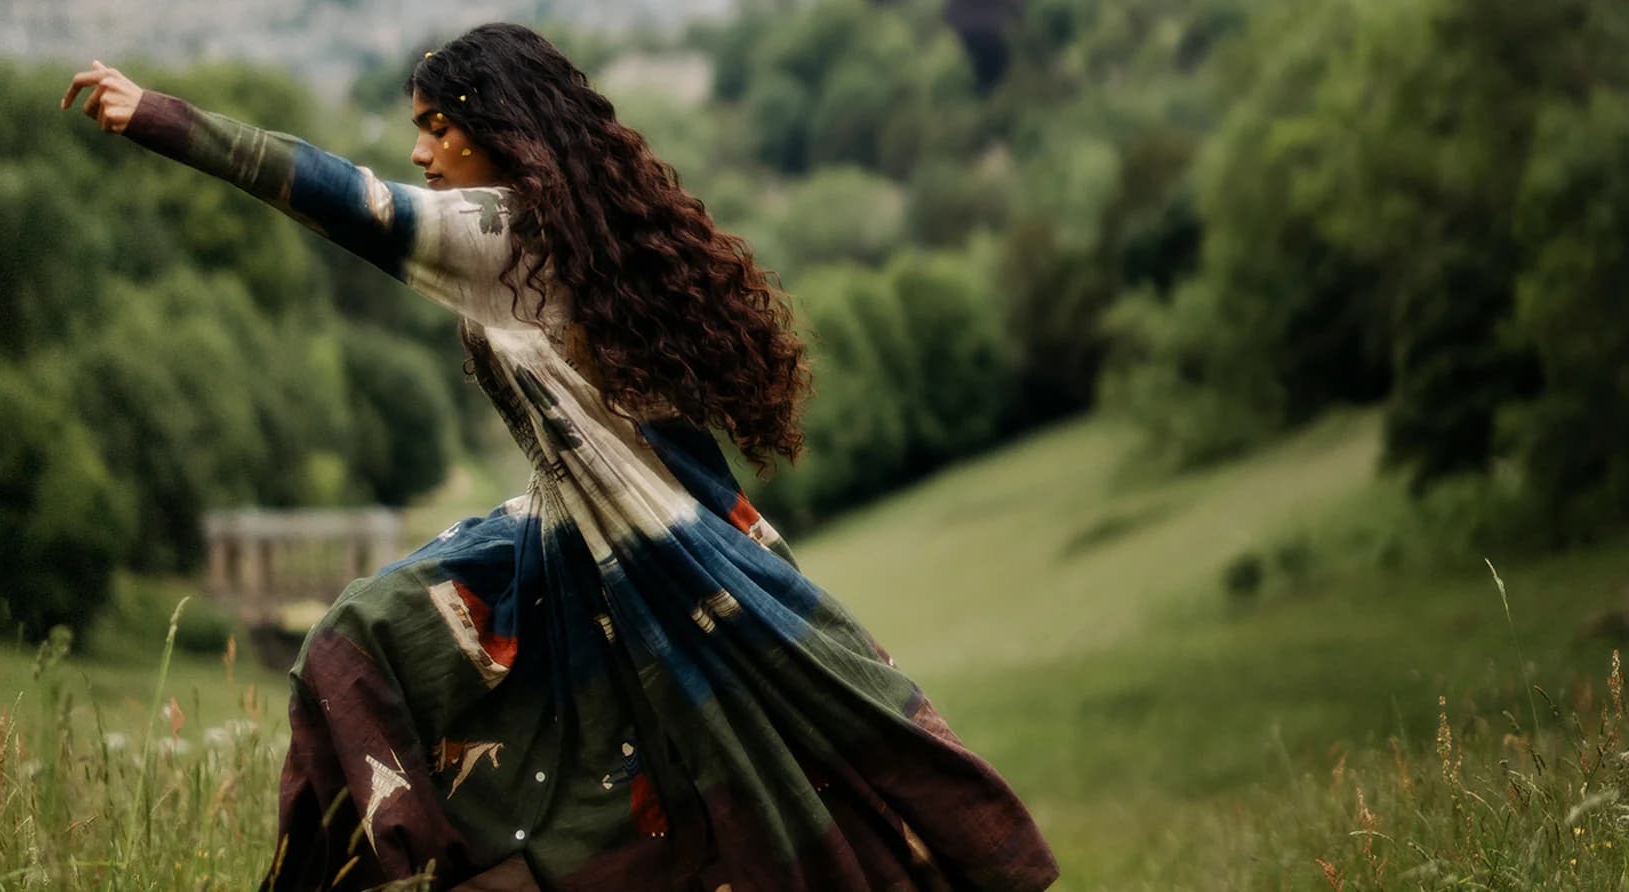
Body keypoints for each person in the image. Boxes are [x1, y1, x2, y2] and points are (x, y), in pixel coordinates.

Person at [62, 23, 1056, 892]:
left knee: (359, 642)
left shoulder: (493, 231)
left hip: (636, 541)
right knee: (692, 720)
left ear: (496, 128)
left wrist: (155, 114)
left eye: (437, 127)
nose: (418, 151)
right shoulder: (588, 228)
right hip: (623, 524)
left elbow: (331, 192)